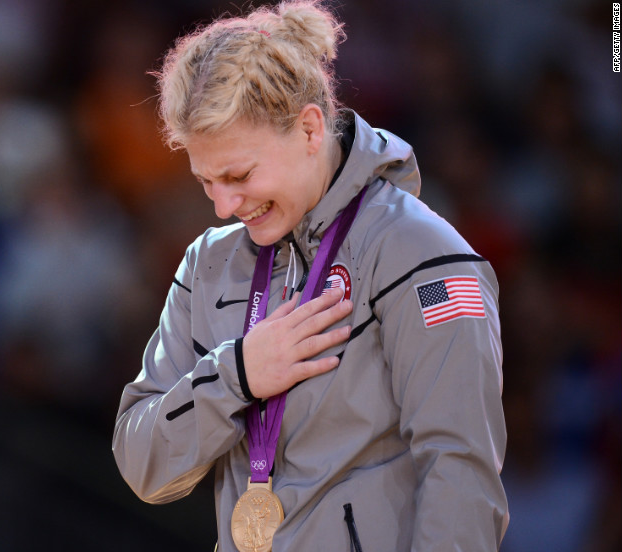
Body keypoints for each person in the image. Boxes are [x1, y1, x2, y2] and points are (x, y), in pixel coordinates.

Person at [111, 1, 509, 550]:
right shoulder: (207, 264)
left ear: (309, 128)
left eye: (239, 175)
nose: (224, 206)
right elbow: (142, 464)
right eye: (207, 181)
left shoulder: (422, 256)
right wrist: (239, 374)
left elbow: (462, 479)